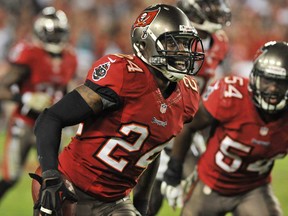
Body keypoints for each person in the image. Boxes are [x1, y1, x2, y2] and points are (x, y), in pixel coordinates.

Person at [29, 3, 206, 216]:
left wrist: (142, 204)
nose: (182, 52)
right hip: (68, 186)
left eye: (185, 45)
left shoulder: (188, 95)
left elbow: (152, 150)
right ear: (146, 43)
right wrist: (50, 176)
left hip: (114, 201)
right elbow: (51, 118)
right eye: (172, 44)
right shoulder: (123, 75)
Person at [161, 41, 288, 216]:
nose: (272, 89)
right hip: (210, 184)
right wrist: (173, 173)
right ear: (255, 77)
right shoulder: (230, 94)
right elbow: (189, 126)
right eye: (267, 80)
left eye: (280, 83)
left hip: (252, 190)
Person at [147, 0, 231, 214]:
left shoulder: (220, 42)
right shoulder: (173, 39)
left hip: (190, 117)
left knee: (201, 183)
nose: (217, 12)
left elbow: (209, 83)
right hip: (163, 115)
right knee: (151, 193)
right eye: (211, 7)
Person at [0, 6, 77, 201]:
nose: (55, 39)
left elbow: (65, 90)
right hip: (24, 122)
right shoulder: (29, 53)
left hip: (50, 125)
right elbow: (3, 87)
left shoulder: (70, 57)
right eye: (52, 34)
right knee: (11, 177)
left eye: (58, 33)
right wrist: (25, 98)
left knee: (53, 178)